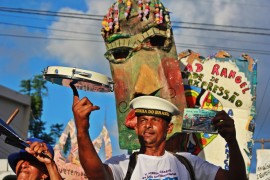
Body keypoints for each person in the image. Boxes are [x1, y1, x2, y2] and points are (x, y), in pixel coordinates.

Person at [72, 95, 247, 180]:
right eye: (142, 120)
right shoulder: (123, 165)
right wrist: (82, 129)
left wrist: (232, 142)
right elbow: (96, 175)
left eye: (155, 120)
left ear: (169, 127)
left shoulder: (188, 163)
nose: (147, 125)